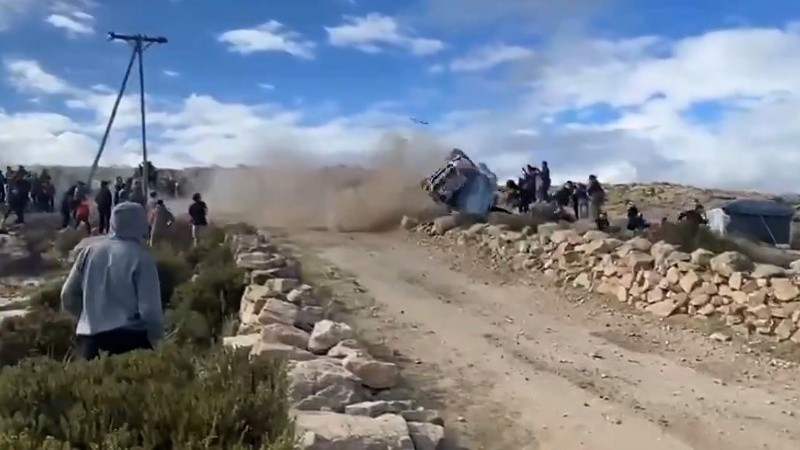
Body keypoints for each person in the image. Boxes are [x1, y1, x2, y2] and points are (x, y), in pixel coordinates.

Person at [60, 202, 163, 360]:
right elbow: (150, 311)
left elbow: (67, 295)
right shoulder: (142, 258)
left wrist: (88, 316)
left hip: (88, 341)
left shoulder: (89, 252)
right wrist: (158, 343)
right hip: (129, 341)